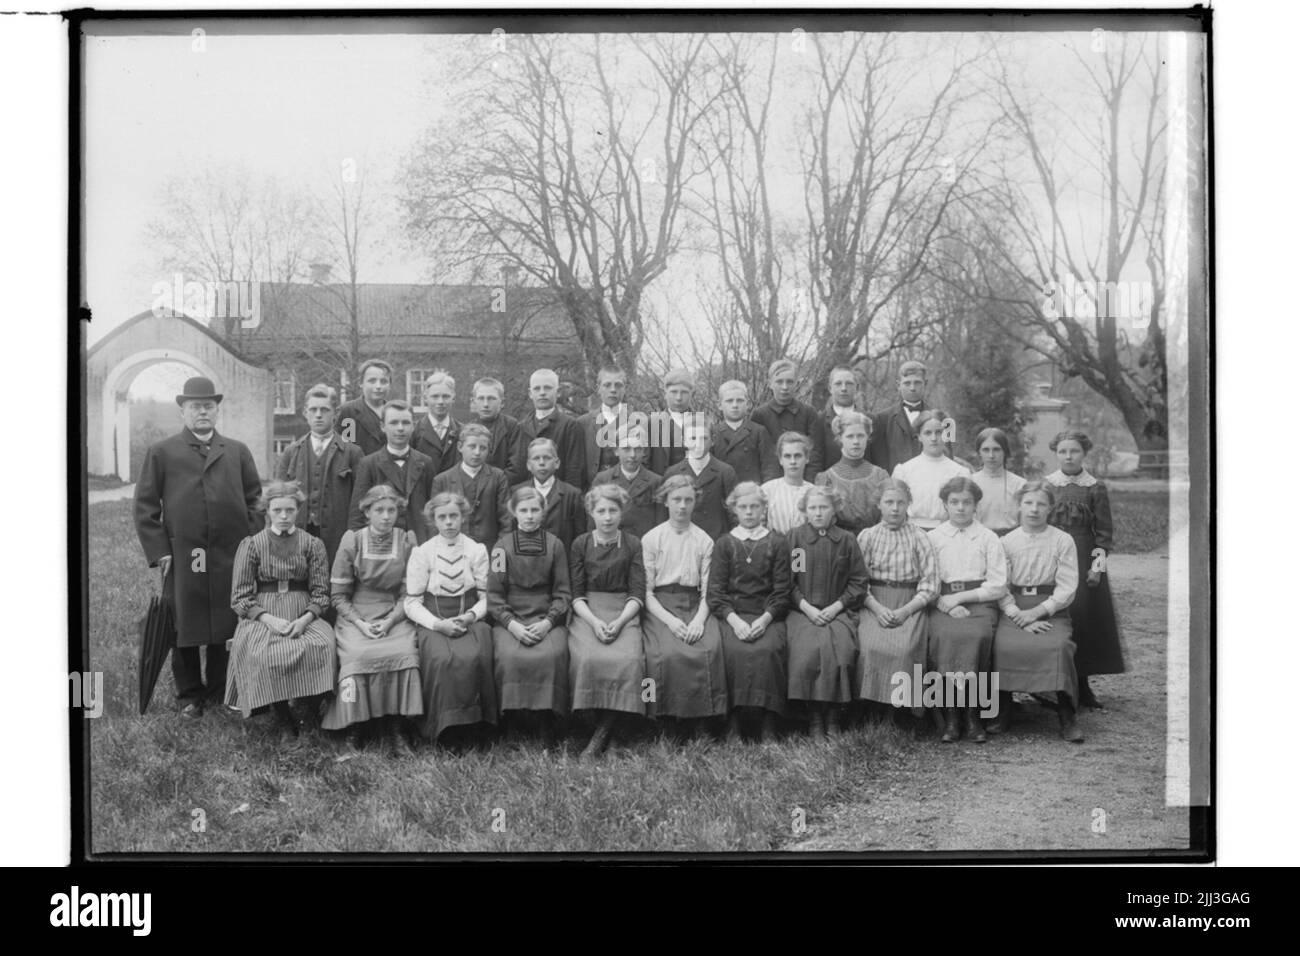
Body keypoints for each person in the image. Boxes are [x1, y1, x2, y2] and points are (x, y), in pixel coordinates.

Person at [134, 376, 262, 717]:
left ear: (217, 410)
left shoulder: (236, 451)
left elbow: (255, 499)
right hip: (188, 554)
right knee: (183, 623)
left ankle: (220, 689)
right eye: (195, 406)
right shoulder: (162, 452)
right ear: (182, 410)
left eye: (208, 406)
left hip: (229, 553)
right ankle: (189, 695)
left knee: (225, 620)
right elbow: (146, 508)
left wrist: (250, 543)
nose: (202, 412)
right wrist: (161, 550)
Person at [224, 482, 337, 738]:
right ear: (267, 512)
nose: (284, 516)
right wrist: (268, 619)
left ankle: (308, 711)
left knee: (322, 646)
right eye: (277, 511)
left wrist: (305, 620)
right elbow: (240, 596)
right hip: (264, 612)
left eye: (290, 510)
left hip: (302, 610)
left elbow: (321, 593)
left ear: (298, 510)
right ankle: (283, 715)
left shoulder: (312, 544)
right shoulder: (252, 545)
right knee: (265, 652)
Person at [320, 484, 422, 755]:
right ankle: (356, 726)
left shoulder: (407, 540)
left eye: (392, 510)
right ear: (367, 512)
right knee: (357, 655)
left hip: (394, 612)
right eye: (379, 510)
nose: (387, 516)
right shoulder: (352, 541)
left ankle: (396, 726)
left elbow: (410, 592)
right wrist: (360, 623)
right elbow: (339, 596)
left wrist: (390, 621)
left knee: (404, 652)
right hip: (357, 615)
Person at [404, 492, 498, 747]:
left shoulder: (476, 550)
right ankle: (445, 729)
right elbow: (411, 602)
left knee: (478, 654)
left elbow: (488, 596)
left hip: (469, 617)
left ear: (463, 517)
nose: (448, 523)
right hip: (434, 620)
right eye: (442, 517)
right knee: (442, 659)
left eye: (454, 516)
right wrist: (437, 624)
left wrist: (470, 616)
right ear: (433, 520)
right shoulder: (423, 553)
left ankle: (477, 726)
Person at [992, 481, 1083, 742]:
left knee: (1058, 646)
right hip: (1014, 607)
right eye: (1028, 503)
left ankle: (1066, 715)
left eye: (1041, 504)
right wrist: (1017, 615)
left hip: (1051, 608)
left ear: (1050, 508)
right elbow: (1000, 584)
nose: (1034, 509)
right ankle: (1003, 709)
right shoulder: (1006, 541)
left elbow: (1067, 587)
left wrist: (1039, 612)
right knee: (1003, 645)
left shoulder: (1063, 540)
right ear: (1019, 506)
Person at [640, 475, 728, 737]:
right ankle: (664, 719)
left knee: (709, 647)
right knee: (663, 652)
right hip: (661, 605)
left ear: (695, 502)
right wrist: (671, 621)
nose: (682, 506)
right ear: (665, 501)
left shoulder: (704, 540)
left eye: (688, 500)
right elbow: (646, 591)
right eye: (676, 499)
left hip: (695, 603)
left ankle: (701, 720)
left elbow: (709, 589)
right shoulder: (652, 539)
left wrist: (699, 620)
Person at [1044, 430, 1125, 709]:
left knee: (1083, 621)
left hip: (1083, 558)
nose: (1068, 456)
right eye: (1063, 451)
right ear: (1056, 453)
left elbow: (1104, 533)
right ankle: (1053, 683)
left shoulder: (1094, 487)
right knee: (1056, 617)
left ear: (1084, 453)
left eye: (1074, 451)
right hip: (1053, 557)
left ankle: (1083, 684)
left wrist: (1097, 568)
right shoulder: (1047, 485)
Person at [488, 486, 573, 746]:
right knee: (509, 655)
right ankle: (513, 722)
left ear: (543, 512)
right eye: (523, 510)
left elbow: (562, 593)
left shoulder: (555, 546)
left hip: (546, 616)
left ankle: (546, 722)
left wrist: (548, 622)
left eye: (535, 510)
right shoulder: (501, 548)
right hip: (511, 617)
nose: (529, 516)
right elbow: (494, 595)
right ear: (514, 513)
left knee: (553, 654)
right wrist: (511, 625)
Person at [568, 484, 647, 759]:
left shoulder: (634, 543)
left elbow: (637, 592)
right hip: (588, 612)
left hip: (624, 611)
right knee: (588, 659)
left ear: (621, 512)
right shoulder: (580, 544)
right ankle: (607, 735)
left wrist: (620, 621)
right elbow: (576, 594)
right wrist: (594, 622)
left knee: (631, 661)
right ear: (591, 512)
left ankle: (603, 738)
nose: (607, 516)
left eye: (613, 510)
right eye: (601, 510)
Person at [926, 476, 1007, 744]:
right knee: (944, 637)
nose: (960, 508)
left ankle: (973, 716)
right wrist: (944, 604)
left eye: (967, 502)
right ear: (945, 505)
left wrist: (961, 598)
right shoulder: (932, 538)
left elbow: (997, 586)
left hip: (979, 602)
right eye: (954, 502)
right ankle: (951, 717)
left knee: (976, 637)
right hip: (943, 601)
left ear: (976, 506)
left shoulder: (988, 537)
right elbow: (926, 581)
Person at [708, 482, 791, 743]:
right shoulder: (724, 543)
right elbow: (716, 592)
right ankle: (732, 723)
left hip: (767, 615)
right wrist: (734, 621)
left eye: (755, 506)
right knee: (730, 651)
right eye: (743, 507)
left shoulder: (777, 542)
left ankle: (768, 725)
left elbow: (782, 591)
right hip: (732, 615)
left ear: (764, 509)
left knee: (768, 651)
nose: (749, 512)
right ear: (734, 509)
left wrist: (765, 620)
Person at [785, 484, 867, 738]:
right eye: (813, 508)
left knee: (841, 652)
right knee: (807, 652)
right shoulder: (797, 540)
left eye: (824, 507)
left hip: (839, 611)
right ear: (805, 511)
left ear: (834, 510)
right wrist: (807, 608)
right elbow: (790, 579)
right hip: (802, 612)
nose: (818, 513)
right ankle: (813, 718)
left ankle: (833, 716)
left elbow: (857, 581)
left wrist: (836, 607)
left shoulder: (845, 541)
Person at [856, 479, 939, 724]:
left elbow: (931, 583)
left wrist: (906, 610)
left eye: (900, 503)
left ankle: (897, 712)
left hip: (909, 602)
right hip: (874, 602)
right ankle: (871, 708)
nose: (894, 508)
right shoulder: (868, 536)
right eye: (889, 502)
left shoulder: (920, 537)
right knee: (868, 647)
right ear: (879, 505)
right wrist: (876, 607)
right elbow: (858, 580)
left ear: (908, 505)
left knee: (905, 649)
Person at [275, 383, 363, 567]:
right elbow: (277, 500)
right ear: (305, 413)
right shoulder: (291, 452)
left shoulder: (352, 453)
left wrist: (353, 537)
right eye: (313, 409)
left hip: (337, 538)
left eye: (324, 409)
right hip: (298, 536)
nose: (318, 415)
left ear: (336, 413)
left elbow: (359, 502)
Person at [348, 400, 435, 542]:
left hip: (419, 544)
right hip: (381, 544)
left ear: (413, 426)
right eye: (394, 423)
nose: (400, 428)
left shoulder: (426, 462)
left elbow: (433, 508)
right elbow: (357, 513)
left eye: (406, 423)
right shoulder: (368, 464)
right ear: (382, 426)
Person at [431, 423, 511, 546]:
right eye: (472, 447)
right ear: (460, 447)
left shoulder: (498, 477)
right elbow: (435, 522)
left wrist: (500, 549)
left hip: (491, 548)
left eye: (483, 448)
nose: (477, 452)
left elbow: (506, 518)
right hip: (453, 550)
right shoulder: (442, 480)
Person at [891, 409, 970, 531]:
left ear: (946, 434)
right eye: (928, 433)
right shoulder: (904, 470)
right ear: (919, 437)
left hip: (948, 532)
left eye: (938, 432)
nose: (934, 438)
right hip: (912, 531)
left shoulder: (959, 472)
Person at [662, 414, 737, 540]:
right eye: (692, 438)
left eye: (704, 438)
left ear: (713, 440)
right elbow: (665, 515)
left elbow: (734, 513)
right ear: (684, 440)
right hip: (682, 540)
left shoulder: (725, 472)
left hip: (716, 540)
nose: (698, 444)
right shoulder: (672, 473)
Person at [815, 410, 890, 534]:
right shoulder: (826, 478)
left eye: (860, 436)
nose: (856, 442)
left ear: (868, 437)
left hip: (875, 540)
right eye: (850, 436)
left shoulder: (880, 476)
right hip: (840, 544)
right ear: (840, 438)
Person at [750, 358, 825, 478]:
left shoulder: (809, 413)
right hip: (771, 483)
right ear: (770, 384)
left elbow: (815, 454)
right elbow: (755, 456)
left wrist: (809, 484)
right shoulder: (760, 415)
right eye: (779, 382)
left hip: (802, 481)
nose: (784, 387)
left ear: (797, 383)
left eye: (789, 382)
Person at [590, 423, 664, 539]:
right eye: (626, 449)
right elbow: (592, 522)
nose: (632, 455)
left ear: (644, 451)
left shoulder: (656, 482)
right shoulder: (603, 479)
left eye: (638, 449)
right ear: (616, 451)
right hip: (612, 544)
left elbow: (661, 524)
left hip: (644, 544)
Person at [519, 368, 586, 490]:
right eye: (537, 389)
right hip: (528, 497)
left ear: (558, 392)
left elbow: (574, 469)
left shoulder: (570, 425)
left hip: (560, 496)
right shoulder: (521, 427)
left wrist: (570, 499)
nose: (542, 393)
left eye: (548, 388)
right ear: (530, 393)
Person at [516, 437, 584, 550]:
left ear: (557, 463)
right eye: (536, 458)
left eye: (547, 458)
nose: (542, 463)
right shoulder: (517, 492)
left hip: (561, 561)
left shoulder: (572, 494)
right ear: (528, 465)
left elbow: (579, 537)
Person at [868, 359, 931, 475]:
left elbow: (947, 454)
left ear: (925, 384)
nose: (912, 388)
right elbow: (878, 459)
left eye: (917, 382)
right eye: (907, 383)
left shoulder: (942, 418)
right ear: (898, 385)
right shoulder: (881, 419)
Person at [712, 380, 779, 485]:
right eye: (729, 401)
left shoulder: (759, 431)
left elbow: (769, 467)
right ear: (720, 405)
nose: (735, 405)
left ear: (747, 404)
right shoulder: (713, 433)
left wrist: (766, 490)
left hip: (752, 492)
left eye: (739, 400)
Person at [576, 365, 629, 488]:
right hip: (593, 493)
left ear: (625, 388)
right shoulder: (582, 423)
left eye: (618, 385)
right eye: (607, 385)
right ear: (598, 388)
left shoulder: (637, 421)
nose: (613, 390)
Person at [470, 377, 526, 486]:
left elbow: (517, 466)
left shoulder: (512, 426)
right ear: (474, 401)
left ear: (502, 402)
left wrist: (494, 484)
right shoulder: (468, 429)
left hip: (505, 488)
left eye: (491, 398)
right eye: (481, 398)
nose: (486, 404)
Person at [970, 427, 1026, 536]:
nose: (991, 455)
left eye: (996, 449)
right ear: (979, 453)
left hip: (1011, 538)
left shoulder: (1019, 484)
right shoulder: (970, 482)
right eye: (986, 450)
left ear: (1005, 452)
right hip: (978, 539)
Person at [760, 431, 815, 535]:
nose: (793, 461)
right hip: (774, 547)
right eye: (787, 456)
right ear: (780, 460)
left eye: (798, 456)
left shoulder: (813, 492)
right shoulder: (767, 490)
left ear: (807, 458)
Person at [337, 359, 392, 457]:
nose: (378, 386)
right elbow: (343, 450)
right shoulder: (349, 412)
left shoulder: (395, 413)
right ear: (361, 383)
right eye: (372, 381)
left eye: (384, 381)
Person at [411, 370, 462, 476]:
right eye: (435, 396)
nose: (440, 402)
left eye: (445, 397)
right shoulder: (414, 432)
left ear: (453, 398)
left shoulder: (462, 432)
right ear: (425, 398)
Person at [647, 367, 695, 477]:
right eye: (673, 392)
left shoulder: (702, 423)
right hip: (662, 485)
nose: (678, 398)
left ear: (691, 394)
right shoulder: (652, 424)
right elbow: (646, 463)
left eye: (684, 392)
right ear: (665, 393)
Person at [819, 365, 868, 471]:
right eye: (838, 384)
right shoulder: (818, 421)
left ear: (857, 387)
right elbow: (815, 461)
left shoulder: (869, 420)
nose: (844, 388)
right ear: (830, 388)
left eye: (849, 384)